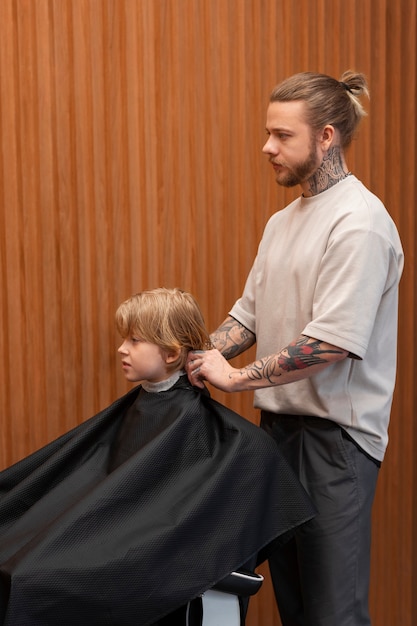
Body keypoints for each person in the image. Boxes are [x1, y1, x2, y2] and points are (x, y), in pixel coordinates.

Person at [187, 72, 404, 626]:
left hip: (336, 446)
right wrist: (195, 360)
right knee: (296, 608)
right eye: (267, 133)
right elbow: (249, 316)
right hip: (279, 436)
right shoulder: (282, 222)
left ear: (326, 136)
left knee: (333, 613)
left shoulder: (361, 224)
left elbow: (330, 342)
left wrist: (233, 380)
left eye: (282, 135)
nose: (267, 147)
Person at [0, 288, 314, 626]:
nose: (122, 348)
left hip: (143, 559)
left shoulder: (233, 441)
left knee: (29, 581)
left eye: (135, 340)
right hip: (105, 540)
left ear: (170, 353)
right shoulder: (141, 411)